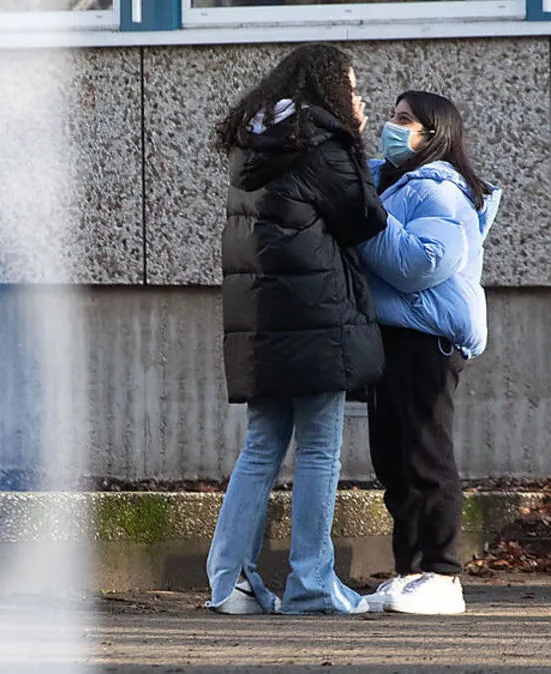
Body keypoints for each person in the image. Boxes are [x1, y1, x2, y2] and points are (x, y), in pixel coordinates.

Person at [207, 43, 389, 615]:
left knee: (261, 447)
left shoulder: (255, 142)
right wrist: (354, 141)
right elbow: (365, 217)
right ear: (328, 89)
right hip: (316, 317)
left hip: (262, 319)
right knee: (319, 450)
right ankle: (312, 583)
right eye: (353, 90)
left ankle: (229, 583)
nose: (359, 101)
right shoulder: (320, 143)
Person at [357, 91, 501, 615]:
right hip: (393, 337)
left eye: (403, 120)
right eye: (392, 117)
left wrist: (365, 223)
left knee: (426, 455)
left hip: (427, 341)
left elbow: (423, 263)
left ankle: (443, 574)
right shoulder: (394, 182)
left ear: (432, 134)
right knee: (392, 460)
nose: (391, 128)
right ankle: (410, 571)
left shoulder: (440, 189)